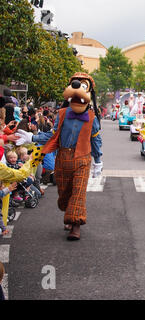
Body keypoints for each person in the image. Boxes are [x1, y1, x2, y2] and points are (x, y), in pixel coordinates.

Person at [16, 72, 103, 241]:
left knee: (78, 192)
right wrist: (32, 137)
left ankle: (76, 225)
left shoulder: (92, 117)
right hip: (63, 158)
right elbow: (53, 135)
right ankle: (69, 214)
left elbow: (96, 140)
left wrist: (98, 161)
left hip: (82, 159)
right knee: (64, 193)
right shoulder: (62, 114)